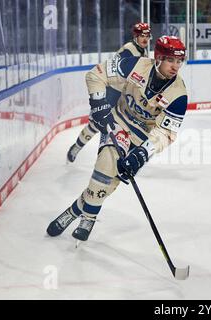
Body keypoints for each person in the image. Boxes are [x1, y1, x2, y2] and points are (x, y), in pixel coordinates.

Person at [47, 35, 188, 242]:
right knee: (107, 164)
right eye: (170, 60)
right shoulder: (135, 65)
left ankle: (72, 211)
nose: (175, 66)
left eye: (179, 61)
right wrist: (99, 105)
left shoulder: (179, 95)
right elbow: (95, 75)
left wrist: (143, 152)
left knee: (109, 184)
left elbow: (165, 133)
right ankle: (90, 217)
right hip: (119, 121)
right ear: (158, 57)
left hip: (141, 138)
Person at [66, 22, 152, 163]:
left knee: (113, 127)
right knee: (96, 125)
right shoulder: (129, 50)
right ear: (135, 36)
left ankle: (106, 159)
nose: (145, 39)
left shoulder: (142, 52)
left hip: (121, 96)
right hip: (111, 93)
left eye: (148, 36)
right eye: (142, 36)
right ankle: (76, 148)